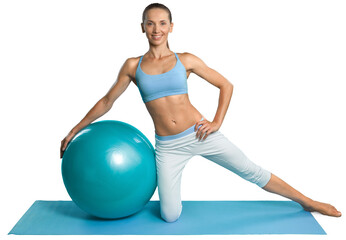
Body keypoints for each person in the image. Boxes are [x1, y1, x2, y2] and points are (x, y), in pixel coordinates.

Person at [60, 3, 341, 222]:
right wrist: (74, 130)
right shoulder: (133, 66)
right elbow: (107, 100)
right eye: (150, 23)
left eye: (162, 23)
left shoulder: (186, 60)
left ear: (171, 27)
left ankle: (308, 201)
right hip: (168, 147)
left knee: (251, 171)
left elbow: (225, 85)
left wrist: (217, 122)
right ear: (142, 27)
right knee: (170, 216)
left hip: (199, 133)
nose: (156, 29)